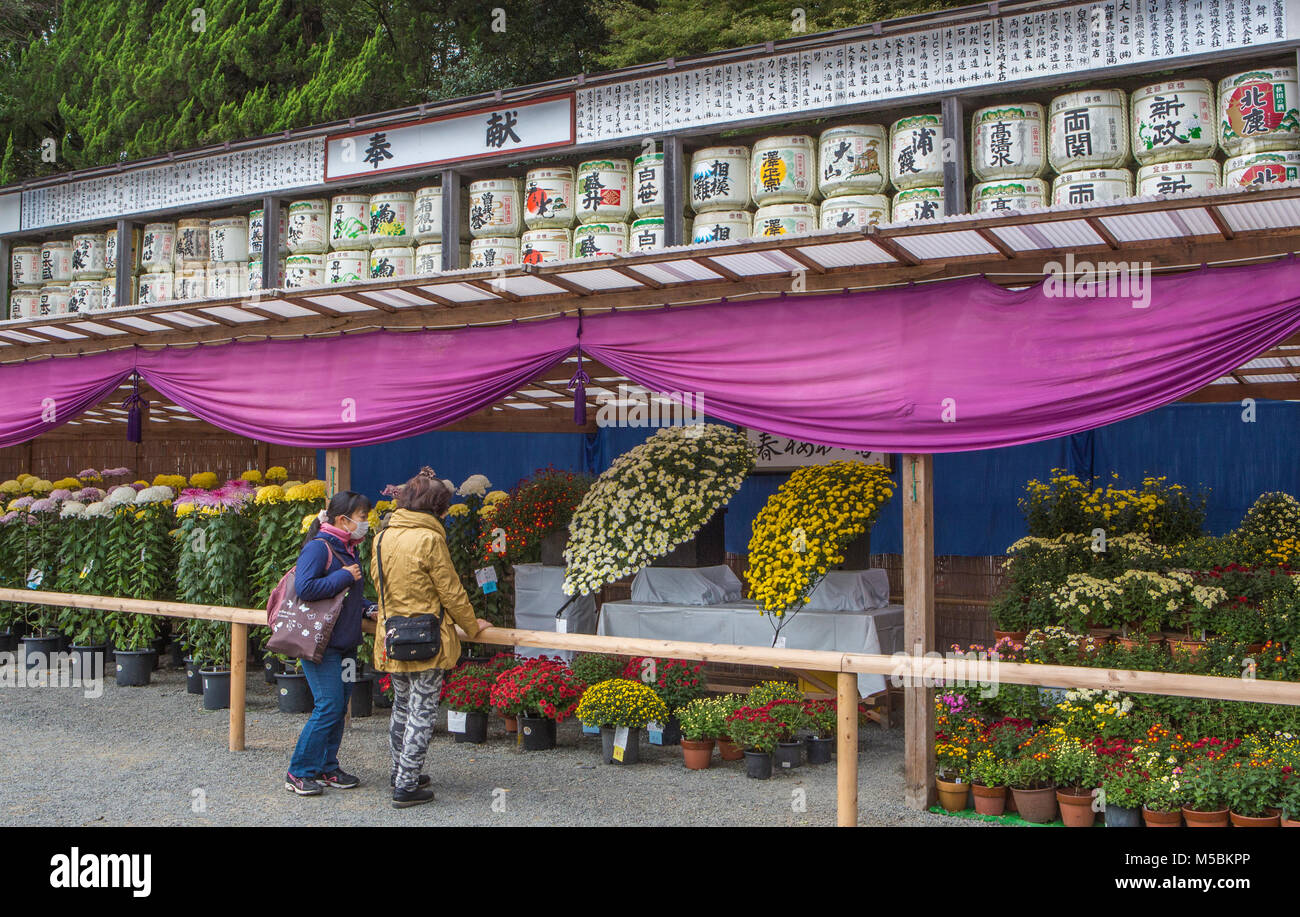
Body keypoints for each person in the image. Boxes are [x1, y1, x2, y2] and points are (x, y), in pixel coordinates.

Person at [371, 467, 492, 808]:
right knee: (422, 712)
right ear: (437, 509)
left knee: (401, 707)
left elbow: (379, 585)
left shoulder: (383, 535)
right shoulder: (430, 539)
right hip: (427, 637)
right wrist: (472, 627)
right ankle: (406, 786)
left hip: (392, 634)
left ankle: (400, 772)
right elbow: (451, 592)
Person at [283, 490, 374, 797]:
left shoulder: (349, 548)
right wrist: (345, 577)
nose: (366, 523)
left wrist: (366, 607)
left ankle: (326, 766)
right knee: (329, 705)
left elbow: (343, 598)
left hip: (346, 646)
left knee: (338, 707)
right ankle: (298, 771)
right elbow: (305, 588)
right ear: (343, 519)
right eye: (362, 517)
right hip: (322, 647)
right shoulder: (319, 548)